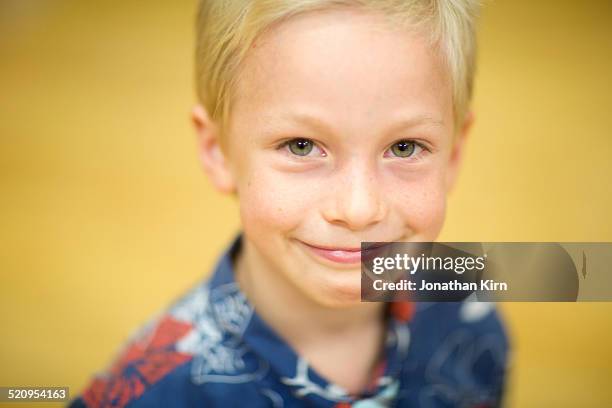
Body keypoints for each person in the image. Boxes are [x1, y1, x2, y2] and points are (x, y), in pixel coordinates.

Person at [69, 0, 508, 406]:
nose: (358, 209)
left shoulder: (465, 299)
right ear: (217, 150)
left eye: (406, 147)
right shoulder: (153, 392)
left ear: (453, 153)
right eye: (301, 146)